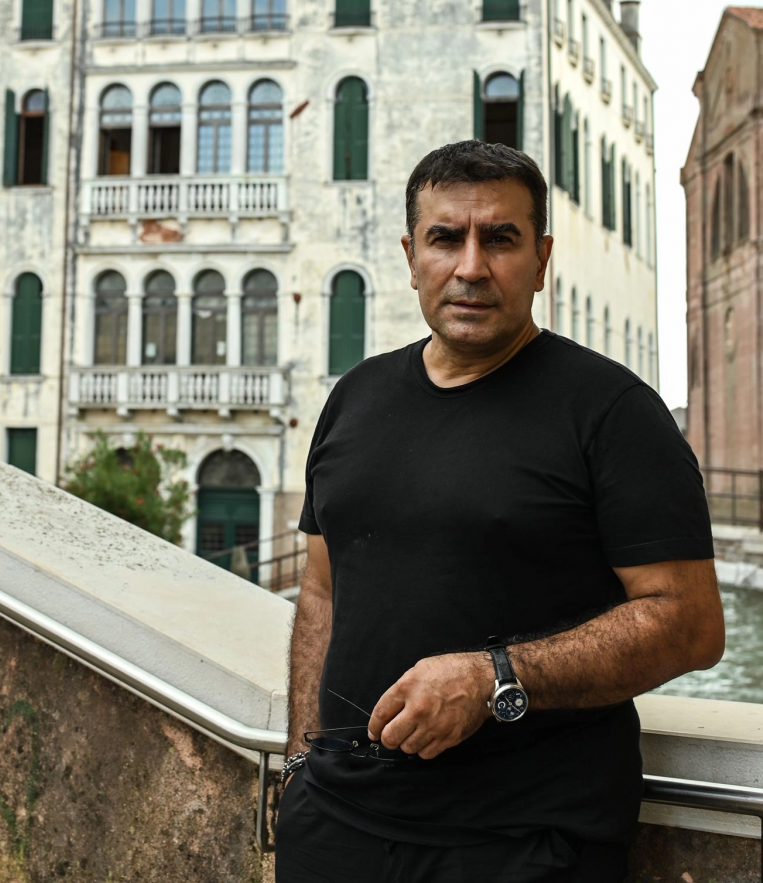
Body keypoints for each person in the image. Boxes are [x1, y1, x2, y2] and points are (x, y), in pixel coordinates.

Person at [274, 140, 724, 883]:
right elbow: (322, 590)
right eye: (446, 238)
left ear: (542, 259)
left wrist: (496, 677)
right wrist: (300, 760)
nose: (472, 266)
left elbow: (691, 623)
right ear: (411, 256)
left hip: (525, 842)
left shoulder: (614, 412)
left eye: (501, 239)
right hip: (336, 828)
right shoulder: (354, 397)